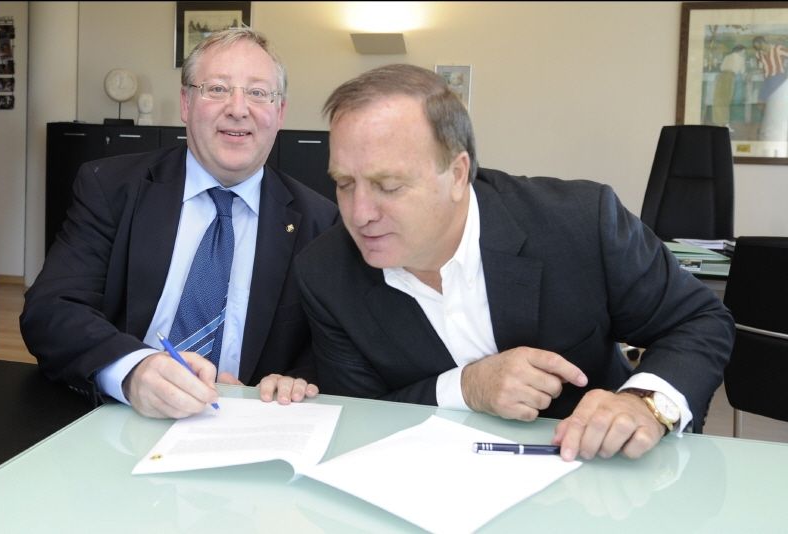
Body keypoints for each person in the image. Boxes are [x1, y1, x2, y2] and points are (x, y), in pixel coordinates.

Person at [295, 64, 734, 461]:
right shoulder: (324, 271)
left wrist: (644, 403)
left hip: (596, 479)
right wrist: (467, 387)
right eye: (344, 184)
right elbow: (360, 414)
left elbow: (699, 320)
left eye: (388, 186)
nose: (359, 214)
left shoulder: (579, 221)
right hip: (429, 483)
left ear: (458, 174)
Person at [20, 28, 338, 419]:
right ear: (186, 103)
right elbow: (51, 309)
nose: (239, 109)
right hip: (118, 416)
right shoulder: (112, 187)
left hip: (243, 425)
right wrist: (133, 370)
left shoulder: (319, 221)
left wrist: (294, 380)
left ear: (280, 112)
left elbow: (328, 347)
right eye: (217, 89)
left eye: (258, 93)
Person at [752, 36, 788, 142]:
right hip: (767, 80)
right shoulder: (758, 54)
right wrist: (751, 73)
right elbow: (760, 67)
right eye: (757, 48)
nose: (760, 49)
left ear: (764, 42)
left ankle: (777, 128)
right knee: (760, 103)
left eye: (761, 46)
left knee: (777, 104)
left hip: (778, 78)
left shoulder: (778, 48)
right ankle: (772, 124)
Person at [712, 45, 746, 127]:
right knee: (726, 102)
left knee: (718, 100)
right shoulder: (741, 58)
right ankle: (725, 123)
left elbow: (721, 67)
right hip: (729, 78)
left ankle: (718, 122)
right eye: (743, 52)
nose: (744, 53)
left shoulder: (727, 57)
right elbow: (742, 72)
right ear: (740, 51)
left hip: (721, 77)